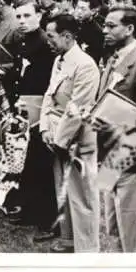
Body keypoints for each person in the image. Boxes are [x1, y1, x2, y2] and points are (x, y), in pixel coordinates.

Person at [94, 7, 136, 252]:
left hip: (131, 161)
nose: (105, 30)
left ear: (130, 29)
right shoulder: (113, 60)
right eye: (105, 25)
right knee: (113, 227)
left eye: (112, 26)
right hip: (108, 156)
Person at [40, 14, 100, 253]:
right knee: (63, 190)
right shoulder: (59, 60)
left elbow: (77, 108)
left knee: (83, 195)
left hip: (78, 139)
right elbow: (49, 95)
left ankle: (86, 250)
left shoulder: (85, 64)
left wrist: (59, 141)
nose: (48, 41)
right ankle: (68, 240)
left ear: (67, 36)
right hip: (57, 133)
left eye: (52, 36)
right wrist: (45, 128)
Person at [2, 2, 57, 244]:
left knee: (41, 162)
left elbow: (46, 80)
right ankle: (29, 208)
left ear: (39, 16)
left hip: (38, 105)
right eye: (19, 16)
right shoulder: (20, 40)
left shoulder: (45, 42)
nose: (22, 20)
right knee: (25, 158)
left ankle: (48, 219)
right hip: (23, 102)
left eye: (27, 16)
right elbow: (19, 72)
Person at [74, 0, 104, 64]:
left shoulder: (96, 32)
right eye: (77, 7)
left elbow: (93, 58)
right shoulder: (72, 23)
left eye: (83, 9)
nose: (79, 11)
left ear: (93, 11)